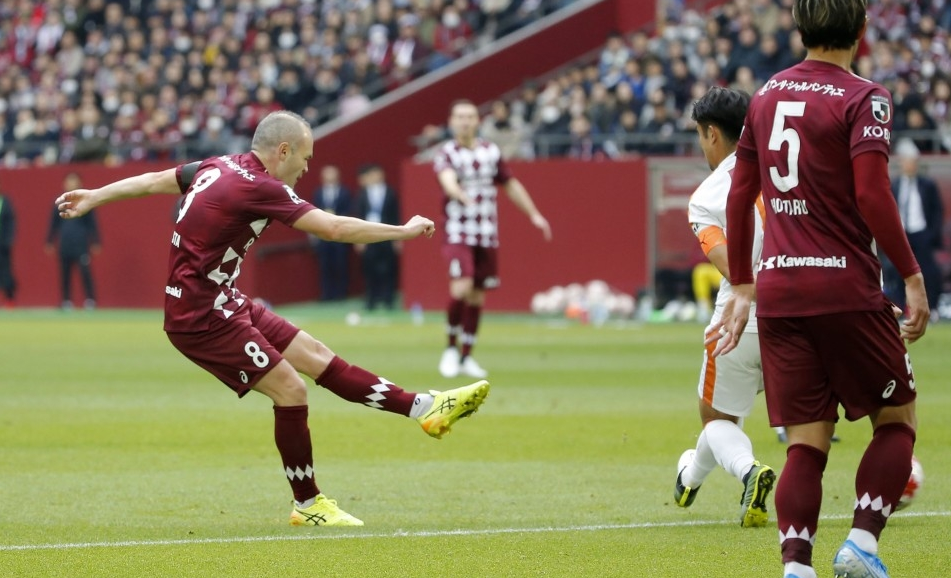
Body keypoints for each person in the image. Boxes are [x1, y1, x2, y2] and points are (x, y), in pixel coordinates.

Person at [55, 110, 491, 527]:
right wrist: (403, 231)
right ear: (283, 151)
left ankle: (426, 408)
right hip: (201, 315)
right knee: (291, 388)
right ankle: (308, 503)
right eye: (305, 157)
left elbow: (154, 180)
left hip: (221, 300)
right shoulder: (262, 188)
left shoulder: (218, 165)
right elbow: (333, 229)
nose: (306, 168)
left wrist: (96, 195)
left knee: (316, 355)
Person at [708, 3, 928, 577]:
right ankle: (861, 544)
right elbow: (874, 195)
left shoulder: (763, 96)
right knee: (897, 419)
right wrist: (911, 274)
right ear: (861, 30)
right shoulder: (865, 97)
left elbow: (738, 197)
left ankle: (796, 567)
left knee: (805, 442)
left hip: (780, 292)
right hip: (847, 288)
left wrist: (741, 284)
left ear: (800, 31)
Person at [674, 86, 776, 528]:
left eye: (700, 135)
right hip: (805, 308)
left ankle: (749, 472)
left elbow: (733, 268)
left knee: (715, 418)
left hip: (742, 317)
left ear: (712, 134)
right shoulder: (790, 170)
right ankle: (688, 479)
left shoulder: (705, 195)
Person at [434, 99, 552, 379]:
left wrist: (534, 214)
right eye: (459, 117)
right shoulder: (447, 153)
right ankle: (450, 349)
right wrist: (459, 194)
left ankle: (467, 356)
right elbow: (447, 180)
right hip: (458, 231)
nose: (464, 121)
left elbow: (510, 184)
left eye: (470, 116)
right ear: (452, 122)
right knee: (461, 288)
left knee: (477, 294)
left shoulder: (490, 151)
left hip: (486, 233)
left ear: (478, 121)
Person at [884, 139, 944, 321]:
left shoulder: (928, 185)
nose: (911, 165)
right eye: (908, 161)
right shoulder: (893, 185)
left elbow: (937, 212)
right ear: (901, 162)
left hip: (922, 234)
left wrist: (931, 235)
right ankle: (900, 309)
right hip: (901, 234)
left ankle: (932, 309)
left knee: (930, 272)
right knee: (895, 272)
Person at [46, 172, 100, 310]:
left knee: (85, 272)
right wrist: (50, 240)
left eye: (74, 181)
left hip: (80, 243)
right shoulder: (59, 202)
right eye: (69, 181)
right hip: (65, 243)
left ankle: (90, 300)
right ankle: (66, 301)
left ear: (79, 183)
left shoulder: (85, 201)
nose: (71, 183)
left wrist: (96, 241)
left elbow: (92, 223)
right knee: (65, 273)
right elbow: (53, 223)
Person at [354, 164, 401, 311]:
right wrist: (358, 239)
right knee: (369, 269)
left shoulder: (390, 192)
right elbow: (358, 216)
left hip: (386, 234)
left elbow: (395, 215)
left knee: (389, 268)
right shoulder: (362, 194)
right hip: (368, 234)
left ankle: (388, 299)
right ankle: (371, 299)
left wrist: (397, 238)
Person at [311, 165, 352, 302]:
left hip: (340, 234)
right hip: (323, 235)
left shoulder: (345, 192)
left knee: (341, 264)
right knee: (324, 265)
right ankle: (326, 294)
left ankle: (341, 293)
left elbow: (349, 211)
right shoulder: (318, 193)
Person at [0, 191, 15, 307]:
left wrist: (8, 240)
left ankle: (10, 300)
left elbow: (11, 222)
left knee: (6, 273)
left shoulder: (4, 202)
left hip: (2, 246)